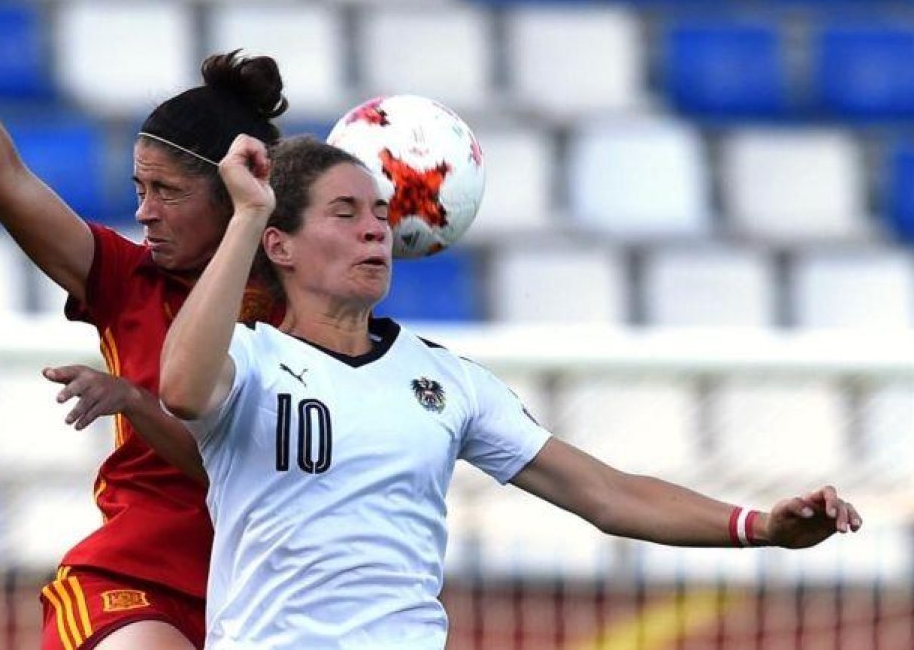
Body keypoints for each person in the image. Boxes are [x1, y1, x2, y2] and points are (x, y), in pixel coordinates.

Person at [155, 134, 865, 649]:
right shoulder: (248, 359)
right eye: (345, 213)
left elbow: (608, 494)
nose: (375, 227)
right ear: (280, 245)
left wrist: (761, 527)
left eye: (379, 211)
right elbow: (181, 389)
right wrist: (246, 216)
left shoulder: (448, 380)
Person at [0, 0, 286, 650]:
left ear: (233, 194)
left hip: (264, 595)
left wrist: (135, 398)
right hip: (135, 582)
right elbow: (5, 183)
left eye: (167, 192)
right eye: (139, 189)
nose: (145, 212)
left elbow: (241, 465)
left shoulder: (297, 308)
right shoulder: (127, 281)